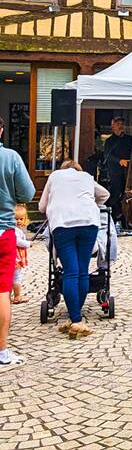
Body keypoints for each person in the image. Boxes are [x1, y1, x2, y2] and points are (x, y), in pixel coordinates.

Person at [39, 160, 110, 339]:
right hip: (88, 223)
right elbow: (105, 195)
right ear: (78, 170)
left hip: (63, 224)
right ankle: (75, 317)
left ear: (62, 170)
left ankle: (76, 319)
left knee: (71, 272)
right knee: (82, 271)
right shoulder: (86, 177)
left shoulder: (55, 176)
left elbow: (41, 207)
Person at [0, 119, 34, 372]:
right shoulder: (10, 157)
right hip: (3, 231)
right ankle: (1, 351)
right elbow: (28, 193)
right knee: (2, 292)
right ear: (1, 130)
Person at [103, 116, 132, 224]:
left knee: (129, 195)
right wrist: (119, 160)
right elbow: (107, 155)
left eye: (121, 124)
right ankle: (115, 219)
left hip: (129, 171)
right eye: (118, 124)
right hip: (115, 172)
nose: (120, 126)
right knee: (116, 195)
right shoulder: (110, 141)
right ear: (113, 126)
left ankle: (127, 219)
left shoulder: (129, 139)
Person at [12, 205, 30, 305]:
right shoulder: (14, 230)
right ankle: (17, 296)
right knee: (16, 276)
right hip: (16, 257)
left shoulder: (17, 229)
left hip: (16, 256)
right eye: (16, 219)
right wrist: (28, 243)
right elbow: (17, 241)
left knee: (12, 276)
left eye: (21, 219)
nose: (18, 221)